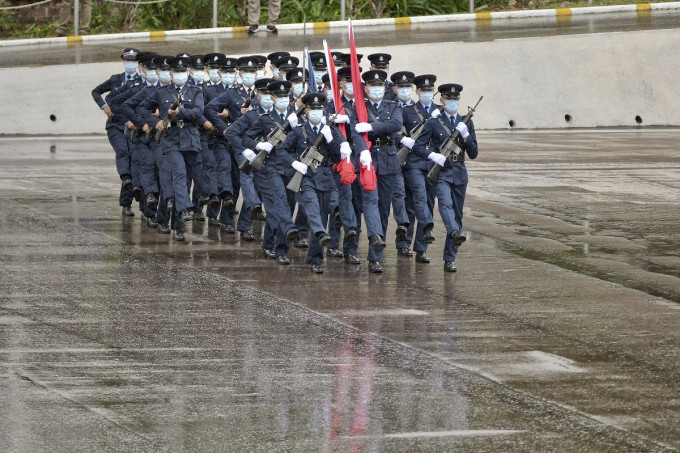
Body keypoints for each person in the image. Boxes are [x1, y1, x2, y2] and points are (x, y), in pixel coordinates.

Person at [413, 83, 478, 272]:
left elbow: (474, 153)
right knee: (444, 204)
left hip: (459, 171)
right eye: (448, 99)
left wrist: (466, 136)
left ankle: (450, 259)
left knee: (458, 214)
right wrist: (432, 155)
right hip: (441, 171)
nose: (452, 102)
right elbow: (417, 146)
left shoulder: (466, 122)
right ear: (441, 100)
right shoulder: (434, 122)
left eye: (455, 99)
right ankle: (453, 232)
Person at [91, 48, 140, 216]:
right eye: (128, 60)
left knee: (134, 159)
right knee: (123, 151)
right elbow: (96, 91)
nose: (130, 63)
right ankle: (125, 177)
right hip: (116, 125)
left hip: (134, 125)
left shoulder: (142, 81)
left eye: (133, 61)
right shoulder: (116, 80)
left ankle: (126, 203)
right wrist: (104, 106)